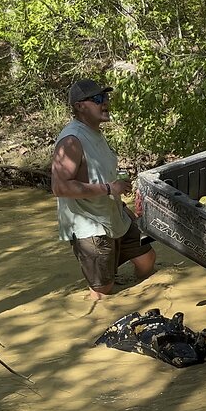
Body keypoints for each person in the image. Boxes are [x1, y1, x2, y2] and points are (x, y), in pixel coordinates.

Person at [51, 79, 155, 300]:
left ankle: (138, 299)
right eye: (98, 99)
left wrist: (122, 204)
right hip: (89, 224)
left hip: (113, 215)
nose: (105, 103)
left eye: (106, 98)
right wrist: (109, 188)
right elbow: (60, 187)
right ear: (79, 106)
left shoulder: (95, 133)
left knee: (147, 259)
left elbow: (98, 173)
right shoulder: (71, 140)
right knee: (102, 293)